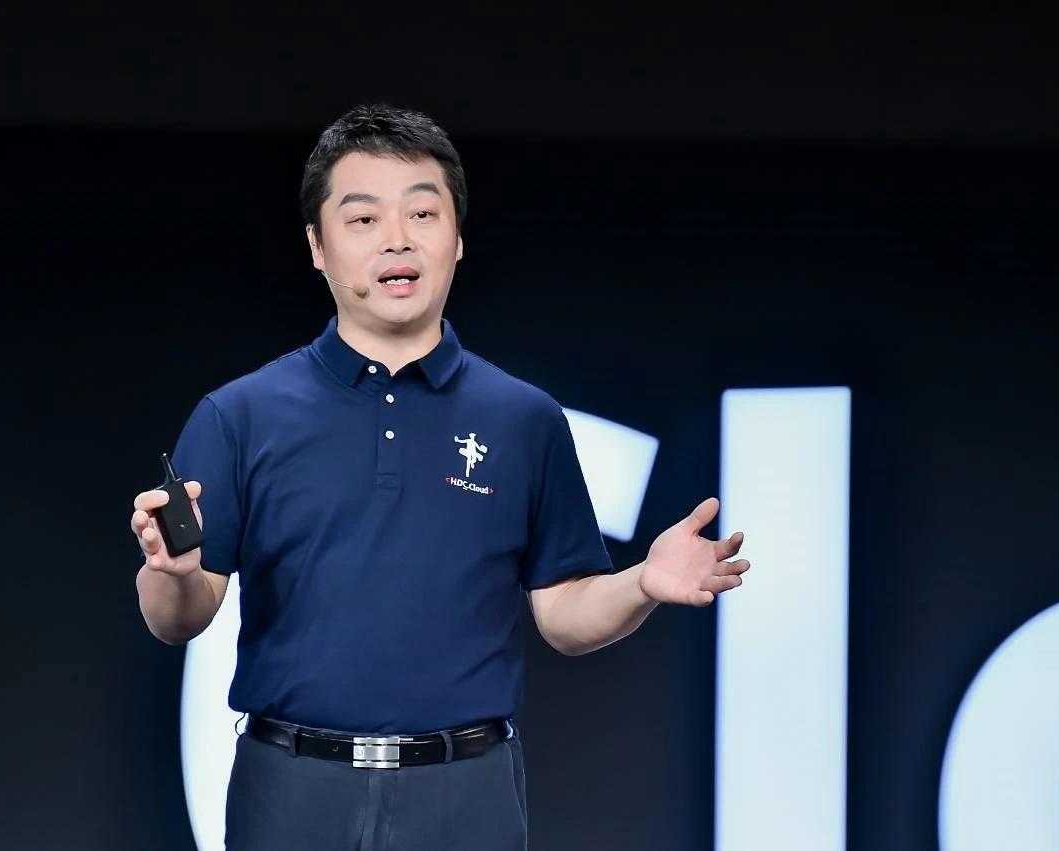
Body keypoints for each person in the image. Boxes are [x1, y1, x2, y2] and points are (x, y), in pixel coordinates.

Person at [129, 102, 752, 850]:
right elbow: (177, 617)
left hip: (465, 792)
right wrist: (170, 571)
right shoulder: (239, 415)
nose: (397, 238)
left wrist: (642, 583)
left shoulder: (523, 418)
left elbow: (564, 612)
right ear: (318, 246)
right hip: (291, 787)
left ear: (457, 240)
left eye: (423, 214)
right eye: (364, 219)